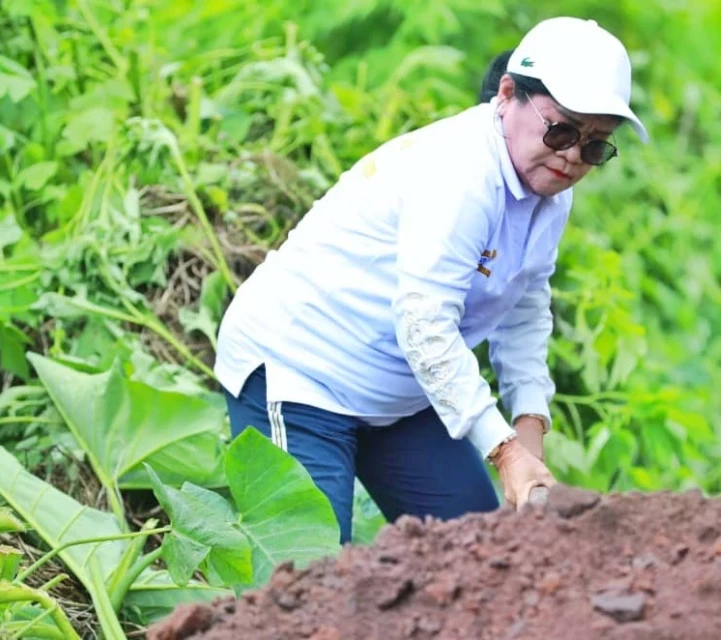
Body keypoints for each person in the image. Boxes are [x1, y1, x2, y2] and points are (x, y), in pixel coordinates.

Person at [214, 17, 648, 544]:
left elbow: (526, 304)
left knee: (477, 549)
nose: (572, 157)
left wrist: (529, 424)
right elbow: (424, 322)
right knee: (307, 576)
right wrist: (503, 450)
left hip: (399, 392)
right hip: (304, 372)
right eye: (560, 130)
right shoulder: (460, 173)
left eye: (595, 146)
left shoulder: (549, 189)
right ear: (508, 95)